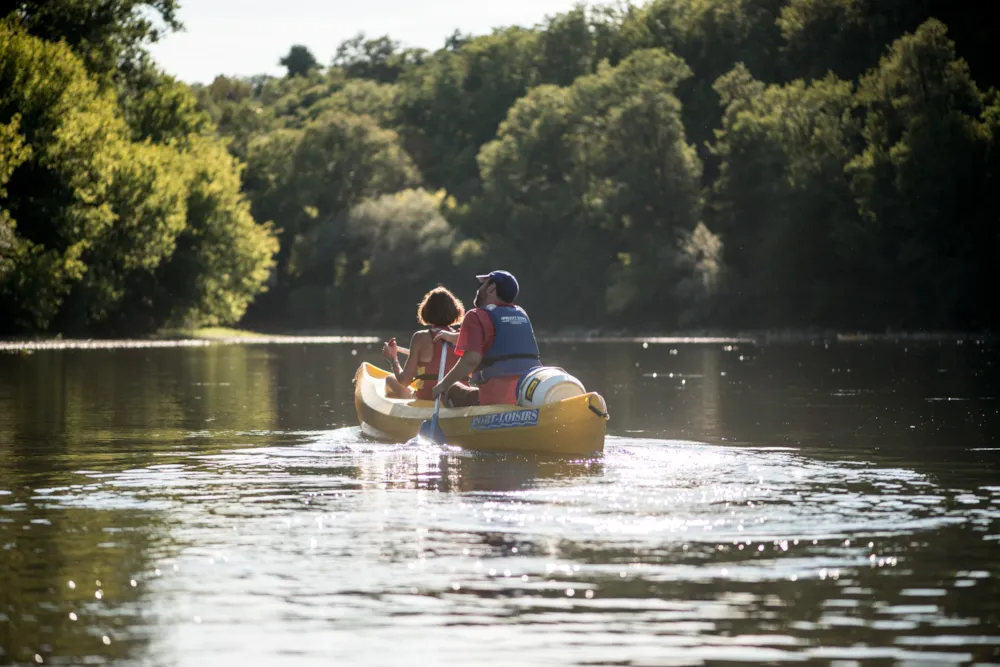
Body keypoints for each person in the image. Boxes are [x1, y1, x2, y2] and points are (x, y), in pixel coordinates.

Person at [431, 270, 540, 407]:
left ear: (492, 288)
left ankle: (458, 425)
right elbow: (490, 338)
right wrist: (452, 337)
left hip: (496, 397)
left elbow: (471, 360)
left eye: (481, 285)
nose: (478, 289)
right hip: (529, 391)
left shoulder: (475, 315)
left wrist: (442, 385)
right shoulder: (521, 314)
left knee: (450, 389)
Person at [382, 286, 466, 400]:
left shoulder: (420, 337)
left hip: (427, 398)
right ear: (455, 311)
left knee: (389, 379)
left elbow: (404, 381)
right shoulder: (462, 336)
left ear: (426, 311)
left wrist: (393, 359)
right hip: (456, 399)